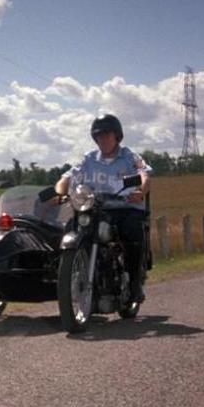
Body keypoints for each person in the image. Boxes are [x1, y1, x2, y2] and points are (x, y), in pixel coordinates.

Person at [55, 114, 152, 303]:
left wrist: (141, 190)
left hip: (126, 207)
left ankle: (134, 284)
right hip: (97, 208)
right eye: (99, 136)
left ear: (117, 136)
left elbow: (144, 174)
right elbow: (66, 178)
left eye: (107, 135)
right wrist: (60, 192)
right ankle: (72, 272)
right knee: (71, 227)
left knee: (132, 232)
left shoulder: (129, 157)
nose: (103, 139)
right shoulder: (89, 159)